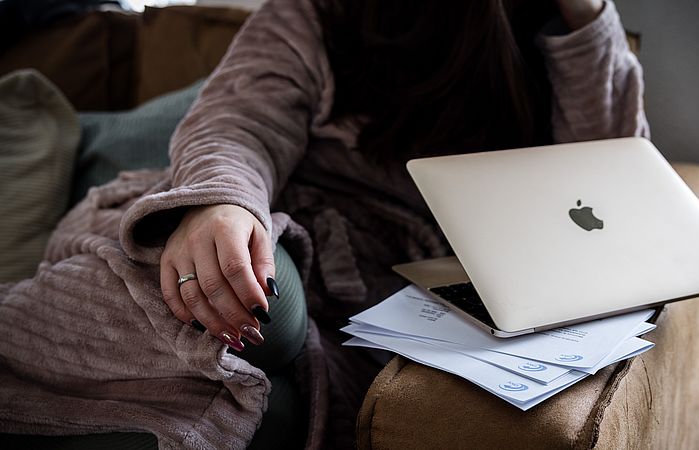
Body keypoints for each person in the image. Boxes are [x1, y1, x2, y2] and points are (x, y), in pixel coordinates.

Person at [0, 0, 648, 448]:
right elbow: (239, 120)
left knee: (271, 409)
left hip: (370, 300)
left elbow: (605, 181)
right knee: (252, 311)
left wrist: (587, 16)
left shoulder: (550, 40)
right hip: (251, 219)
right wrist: (222, 204)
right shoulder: (322, 12)